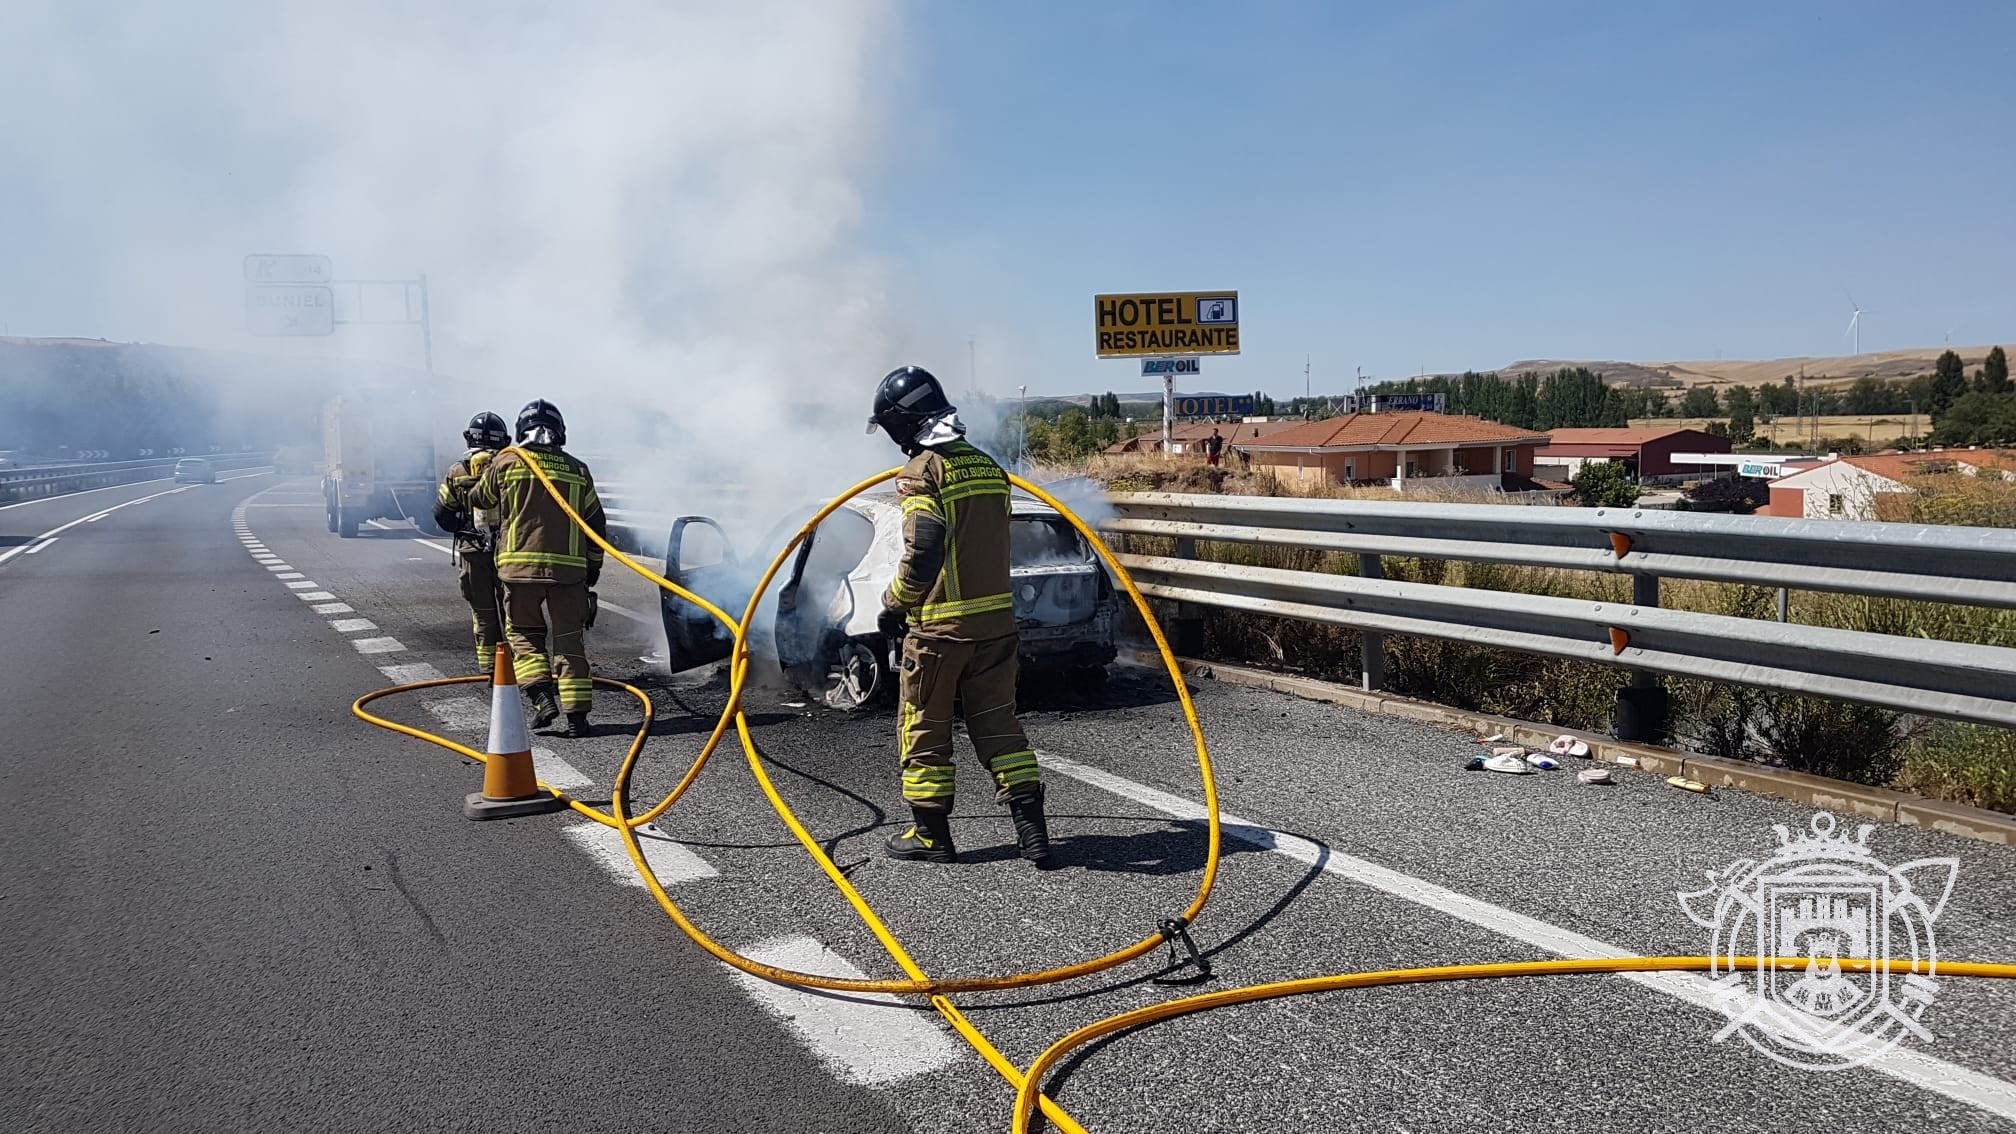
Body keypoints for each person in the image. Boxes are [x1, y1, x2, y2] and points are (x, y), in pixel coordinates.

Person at [865, 364, 1051, 867]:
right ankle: (1032, 831)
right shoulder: (989, 466)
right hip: (995, 626)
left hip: (940, 630)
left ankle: (931, 836)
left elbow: (924, 548)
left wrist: (895, 604)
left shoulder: (923, 471)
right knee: (998, 725)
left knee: (923, 725)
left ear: (903, 423)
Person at [466, 399, 606, 739]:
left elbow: (479, 499)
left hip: (519, 569)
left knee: (525, 637)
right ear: (561, 433)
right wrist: (593, 570)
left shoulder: (507, 461)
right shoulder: (578, 470)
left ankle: (542, 699)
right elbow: (596, 525)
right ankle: (578, 721)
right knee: (570, 643)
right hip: (569, 575)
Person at [433, 411, 511, 674]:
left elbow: (442, 514)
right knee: (514, 612)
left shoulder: (457, 471)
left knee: (483, 611)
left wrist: (464, 530)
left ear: (469, 439)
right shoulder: (512, 466)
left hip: (473, 551)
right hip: (509, 551)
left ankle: (491, 669)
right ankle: (522, 669)